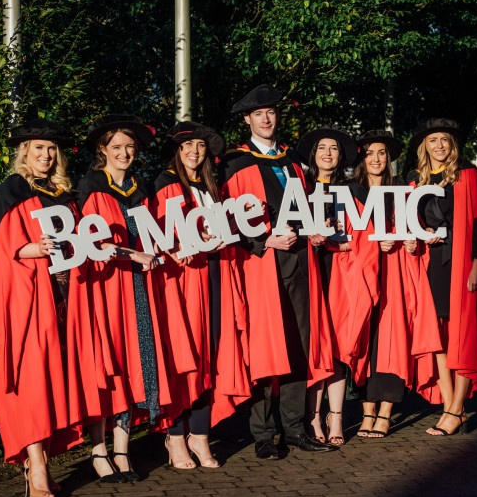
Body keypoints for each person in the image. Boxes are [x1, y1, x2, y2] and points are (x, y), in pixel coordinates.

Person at [220, 84, 335, 459]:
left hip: (300, 262)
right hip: (261, 266)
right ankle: (264, 433)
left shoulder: (292, 162)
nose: (266, 119)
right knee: (264, 344)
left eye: (271, 112)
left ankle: (295, 426)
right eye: (259, 114)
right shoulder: (236, 163)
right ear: (247, 120)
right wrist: (264, 242)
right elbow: (228, 220)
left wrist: (311, 230)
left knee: (299, 341)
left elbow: (301, 212)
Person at [74, 115, 174, 481]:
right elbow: (90, 242)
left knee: (137, 362)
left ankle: (122, 449)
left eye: (129, 147)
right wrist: (134, 256)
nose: (124, 153)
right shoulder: (91, 186)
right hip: (105, 289)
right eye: (116, 147)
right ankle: (99, 451)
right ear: (103, 150)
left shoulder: (139, 187)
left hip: (138, 290)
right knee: (109, 363)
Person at [0, 119, 83, 497]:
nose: (45, 155)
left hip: (66, 297)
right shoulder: (11, 190)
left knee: (56, 376)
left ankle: (45, 456)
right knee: (31, 376)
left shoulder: (65, 193)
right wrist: (36, 249)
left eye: (51, 149)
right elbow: (5, 250)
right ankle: (36, 462)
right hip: (32, 297)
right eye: (38, 148)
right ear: (24, 152)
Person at [405, 118, 477, 436]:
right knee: (438, 335)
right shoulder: (415, 179)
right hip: (431, 265)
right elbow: (411, 220)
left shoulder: (466, 174)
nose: (439, 146)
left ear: (452, 144)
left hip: (460, 264)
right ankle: (448, 403)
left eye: (444, 140)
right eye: (433, 141)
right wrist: (423, 231)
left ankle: (457, 408)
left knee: (463, 333)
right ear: (424, 146)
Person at [151, 121, 233, 469]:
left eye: (200, 146)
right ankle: (175, 434)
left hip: (213, 273)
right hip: (181, 279)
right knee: (183, 353)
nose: (195, 153)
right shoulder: (167, 184)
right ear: (177, 151)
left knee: (209, 351)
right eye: (188, 147)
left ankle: (199, 434)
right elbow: (159, 234)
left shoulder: (213, 187)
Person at [296, 127, 363, 446]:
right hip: (308, 273)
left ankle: (336, 417)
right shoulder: (300, 189)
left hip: (339, 274)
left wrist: (345, 246)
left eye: (333, 149)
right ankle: (312, 417)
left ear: (340, 156)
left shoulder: (351, 191)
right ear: (313, 154)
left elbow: (363, 236)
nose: (327, 153)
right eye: (321, 147)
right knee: (314, 347)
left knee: (335, 346)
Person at [350, 130, 413, 438]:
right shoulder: (351, 191)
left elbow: (413, 224)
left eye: (382, 153)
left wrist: (408, 238)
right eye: (370, 153)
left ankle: (385, 411)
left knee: (391, 337)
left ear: (389, 158)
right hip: (361, 271)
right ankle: (366, 411)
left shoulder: (400, 188)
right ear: (362, 158)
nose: (376, 159)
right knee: (365, 336)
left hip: (393, 270)